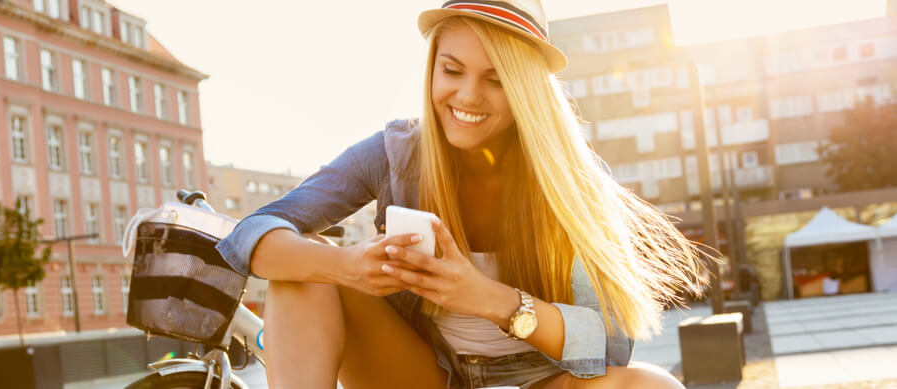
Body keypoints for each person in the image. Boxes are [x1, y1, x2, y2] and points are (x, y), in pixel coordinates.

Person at [215, 1, 710, 388]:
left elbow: (608, 346)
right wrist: (352, 267)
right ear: (432, 68)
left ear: (526, 91)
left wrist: (488, 298)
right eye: (452, 71)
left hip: (544, 377)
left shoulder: (572, 180)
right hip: (423, 374)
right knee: (303, 267)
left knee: (654, 385)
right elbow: (252, 234)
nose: (468, 96)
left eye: (495, 80)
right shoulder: (391, 154)